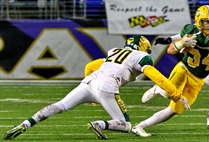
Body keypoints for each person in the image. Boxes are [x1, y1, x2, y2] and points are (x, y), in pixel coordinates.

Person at [3, 35, 189, 140]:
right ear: (143, 47)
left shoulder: (114, 52)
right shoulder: (142, 57)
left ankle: (25, 124)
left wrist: (91, 91)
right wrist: (175, 94)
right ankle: (99, 124)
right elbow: (155, 76)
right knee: (126, 125)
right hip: (106, 87)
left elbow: (90, 66)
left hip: (90, 82)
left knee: (60, 106)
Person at [131, 5, 209, 137]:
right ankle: (158, 88)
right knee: (170, 94)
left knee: (174, 110)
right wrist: (181, 44)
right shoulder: (191, 31)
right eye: (207, 21)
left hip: (198, 79)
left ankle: (140, 126)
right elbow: (170, 50)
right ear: (199, 21)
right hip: (184, 69)